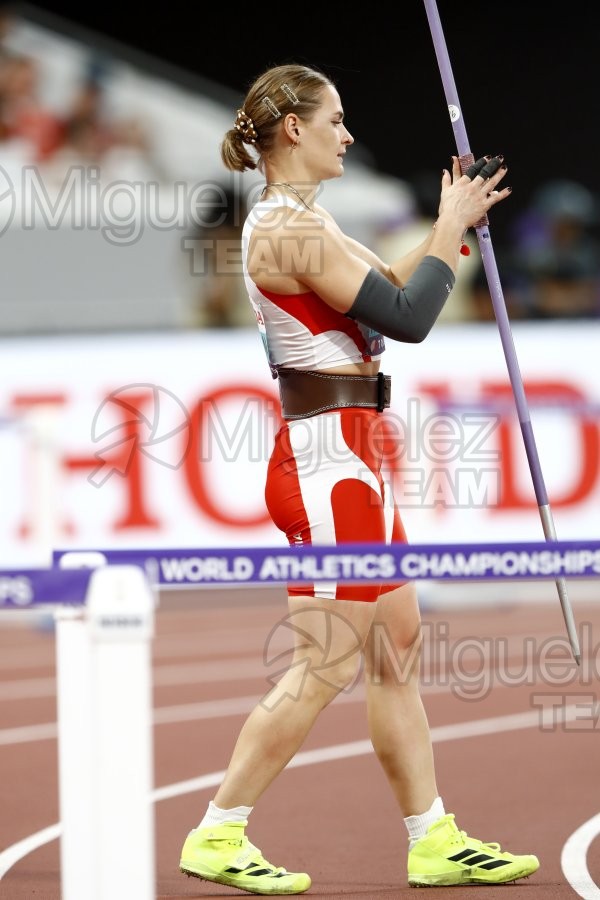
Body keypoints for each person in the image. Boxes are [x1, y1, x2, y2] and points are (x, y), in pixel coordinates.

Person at [179, 62, 539, 894]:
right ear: (293, 129)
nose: (348, 133)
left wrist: (456, 223)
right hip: (326, 458)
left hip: (354, 454)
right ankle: (219, 831)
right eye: (335, 119)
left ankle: (432, 837)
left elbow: (395, 287)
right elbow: (410, 320)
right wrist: (448, 225)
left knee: (393, 644)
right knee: (330, 661)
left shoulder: (313, 224)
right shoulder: (289, 231)